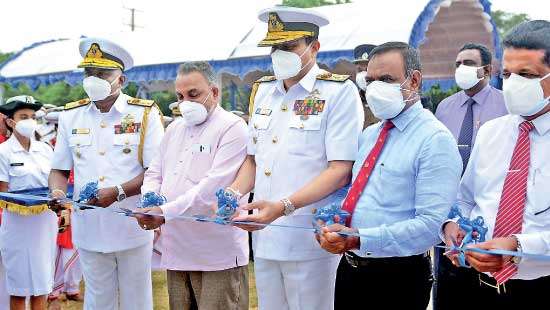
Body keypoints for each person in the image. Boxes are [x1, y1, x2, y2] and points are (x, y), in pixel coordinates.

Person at [228, 7, 364, 310]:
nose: (280, 54)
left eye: (289, 47)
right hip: (264, 236)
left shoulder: (337, 92)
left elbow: (341, 169)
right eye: (275, 47)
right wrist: (232, 193)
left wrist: (283, 206)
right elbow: (253, 159)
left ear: (314, 48)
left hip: (310, 236)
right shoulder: (262, 91)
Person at [316, 41, 462, 310]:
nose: (375, 89)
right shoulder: (370, 135)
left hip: (397, 277)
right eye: (370, 80)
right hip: (350, 268)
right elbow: (354, 194)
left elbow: (432, 225)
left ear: (414, 80)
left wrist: (362, 238)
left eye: (385, 79)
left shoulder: (434, 140)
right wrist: (330, 221)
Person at [48, 37, 164, 310]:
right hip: (89, 227)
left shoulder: (143, 114)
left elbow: (155, 171)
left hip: (131, 225)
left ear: (121, 80)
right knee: (98, 300)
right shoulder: (70, 116)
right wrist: (57, 192)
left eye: (102, 74)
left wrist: (118, 192)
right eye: (89, 73)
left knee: (136, 300)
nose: (93, 79)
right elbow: (60, 168)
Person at [441, 20, 550, 309]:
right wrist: (452, 224)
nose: (513, 83)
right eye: (508, 74)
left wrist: (518, 247)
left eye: (526, 74)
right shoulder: (493, 131)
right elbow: (465, 198)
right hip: (472, 284)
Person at [135, 61, 249, 310]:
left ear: (214, 92)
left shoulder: (232, 127)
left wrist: (163, 213)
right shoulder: (174, 129)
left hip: (217, 251)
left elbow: (212, 188)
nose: (185, 102)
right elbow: (154, 172)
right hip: (176, 246)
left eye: (193, 94)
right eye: (180, 96)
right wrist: (150, 200)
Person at [433, 42, 508, 310]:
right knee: (450, 289)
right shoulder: (445, 107)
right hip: (452, 209)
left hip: (490, 211)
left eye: (468, 63)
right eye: (457, 64)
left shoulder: (506, 104)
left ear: (487, 70)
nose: (461, 69)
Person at [0, 95, 58, 310]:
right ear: (10, 121)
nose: (29, 121)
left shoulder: (45, 149)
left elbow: (55, 182)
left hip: (45, 222)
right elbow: (2, 192)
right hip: (18, 225)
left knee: (42, 284)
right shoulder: (3, 152)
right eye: (23, 116)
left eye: (32, 116)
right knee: (19, 286)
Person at [353, 44, 378, 127]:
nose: (363, 75)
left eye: (367, 69)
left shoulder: (392, 98)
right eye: (359, 70)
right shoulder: (351, 100)